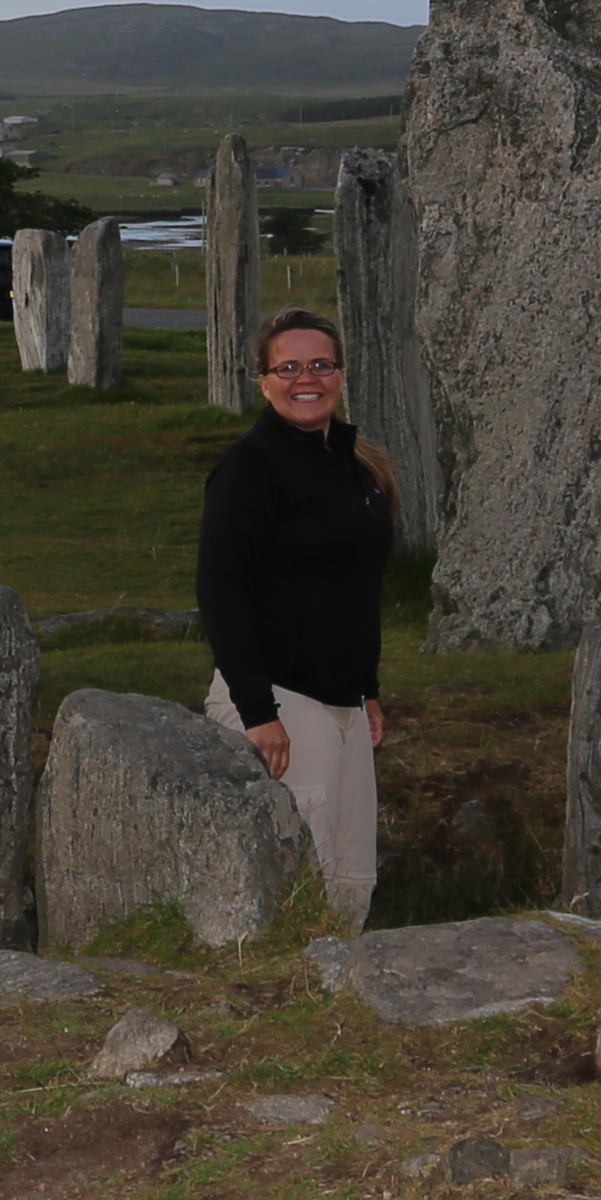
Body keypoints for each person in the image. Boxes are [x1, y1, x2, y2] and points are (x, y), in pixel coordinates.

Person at [196, 305, 395, 924]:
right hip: (281, 696)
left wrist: (367, 691)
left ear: (339, 373)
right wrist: (259, 712)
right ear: (263, 380)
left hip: (341, 700)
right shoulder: (249, 468)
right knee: (305, 873)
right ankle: (295, 1000)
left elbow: (353, 589)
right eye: (287, 367)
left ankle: (341, 1001)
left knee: (353, 869)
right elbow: (220, 586)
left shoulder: (353, 464)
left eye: (320, 364)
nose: (305, 378)